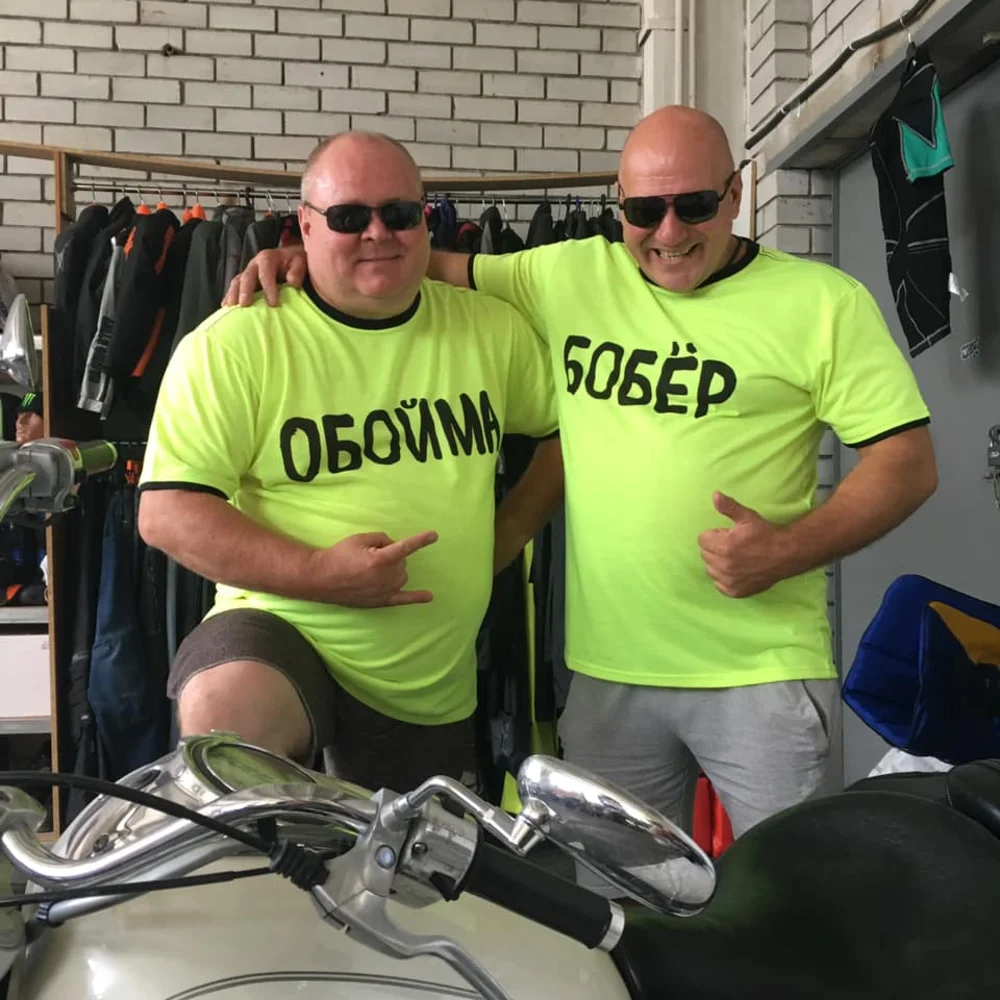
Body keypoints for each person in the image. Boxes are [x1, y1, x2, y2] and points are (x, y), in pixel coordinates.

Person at [224, 106, 938, 842]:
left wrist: (789, 549)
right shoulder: (570, 272)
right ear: (618, 206)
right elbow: (417, 262)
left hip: (758, 671)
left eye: (694, 205)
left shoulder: (821, 303)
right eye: (644, 210)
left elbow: (908, 463)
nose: (669, 232)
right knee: (614, 895)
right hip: (606, 676)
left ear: (736, 193)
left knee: (790, 888)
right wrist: (304, 258)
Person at [137, 131, 560, 795]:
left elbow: (569, 430)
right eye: (348, 216)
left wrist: (503, 539)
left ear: (426, 222)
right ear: (304, 226)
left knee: (414, 859)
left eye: (399, 214)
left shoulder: (489, 330)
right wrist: (319, 574)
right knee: (229, 724)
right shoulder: (238, 341)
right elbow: (167, 513)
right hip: (282, 630)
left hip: (427, 682)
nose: (378, 233)